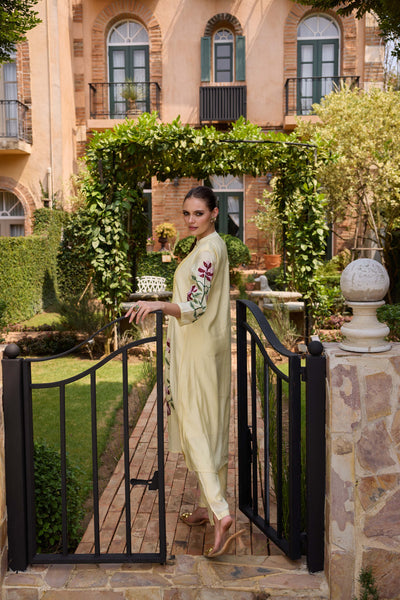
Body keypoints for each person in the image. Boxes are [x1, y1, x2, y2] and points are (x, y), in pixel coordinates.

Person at [126, 185, 244, 557]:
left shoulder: (207, 251)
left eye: (198, 213)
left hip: (198, 349)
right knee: (210, 425)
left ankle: (221, 511)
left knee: (194, 424)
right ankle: (208, 508)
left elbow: (195, 305)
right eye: (186, 213)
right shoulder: (210, 245)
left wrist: (158, 305)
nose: (191, 220)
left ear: (214, 213)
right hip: (207, 347)